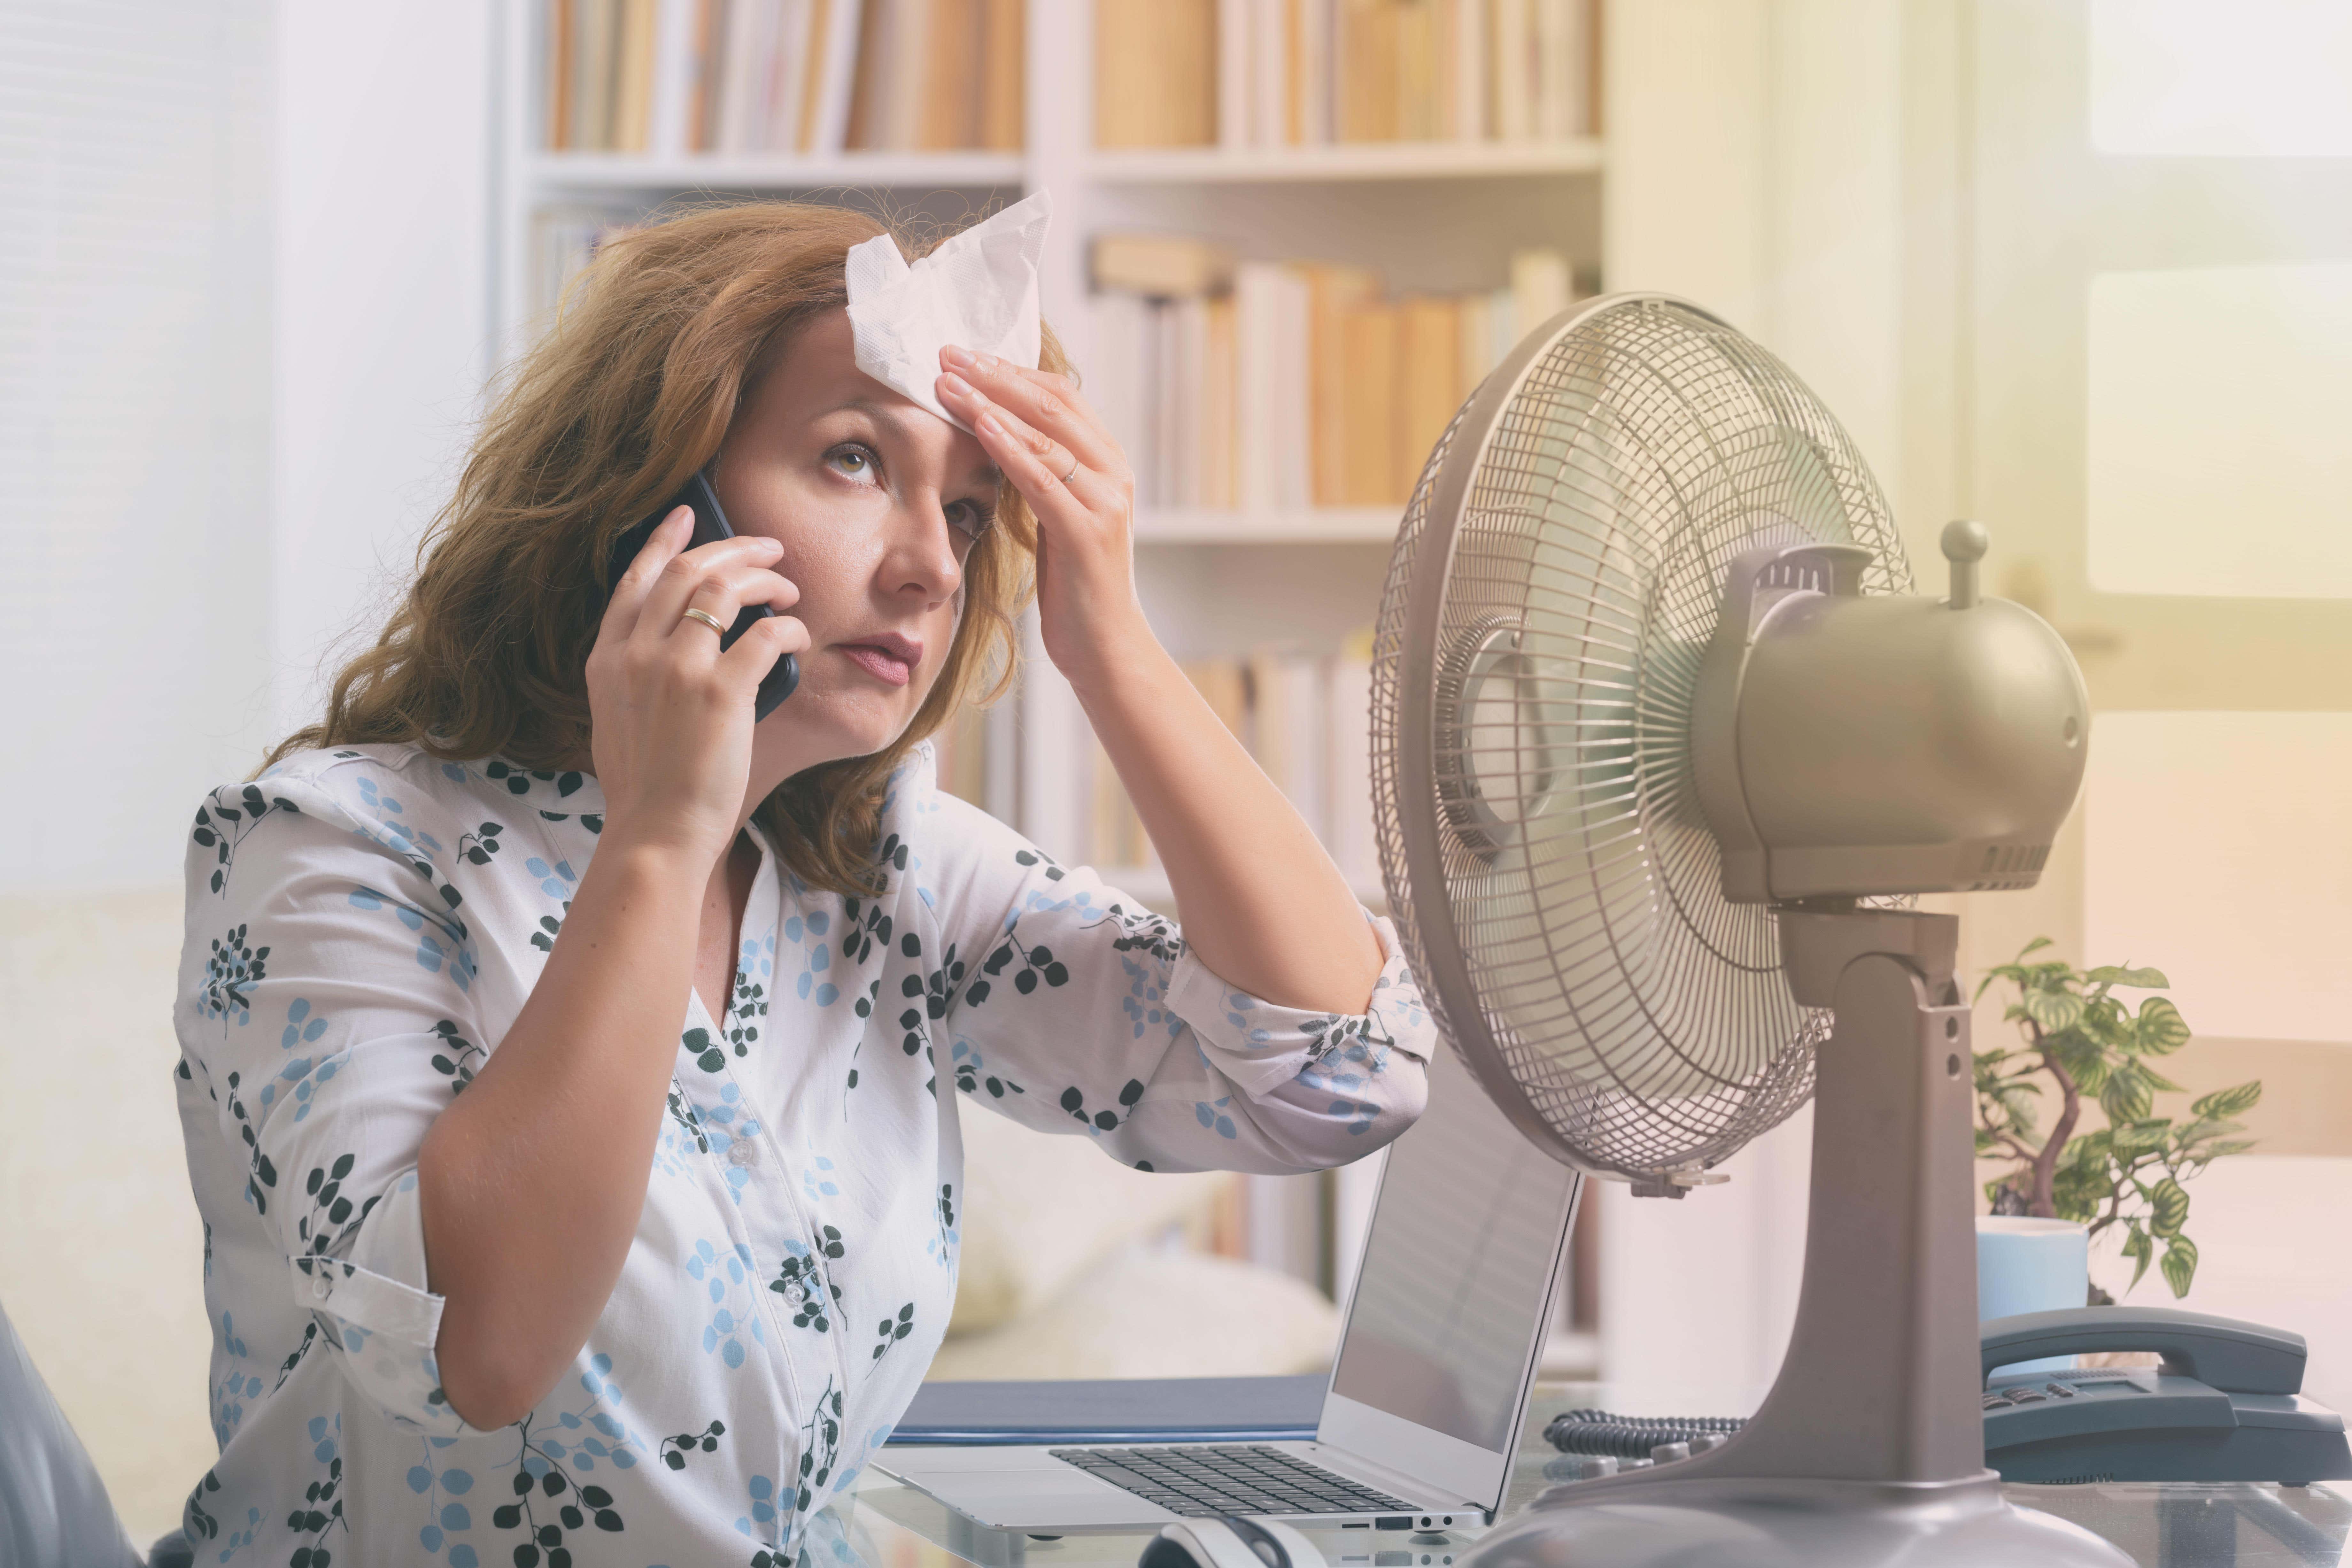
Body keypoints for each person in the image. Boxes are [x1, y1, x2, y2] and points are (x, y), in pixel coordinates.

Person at [170, 198, 1433, 1567]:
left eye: (963, 510)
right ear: (652, 501)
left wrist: (1112, 648)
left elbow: (1337, 1079)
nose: (930, 566)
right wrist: (658, 840)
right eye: (850, 461)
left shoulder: (877, 867)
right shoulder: (323, 847)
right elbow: (475, 1353)